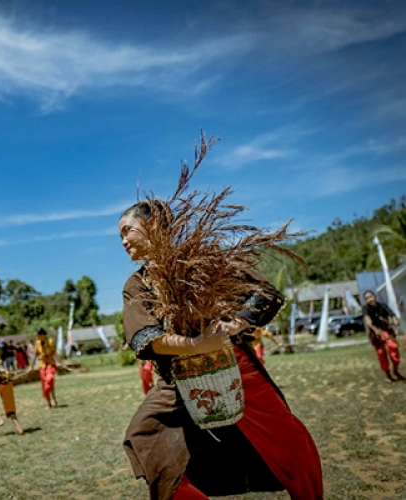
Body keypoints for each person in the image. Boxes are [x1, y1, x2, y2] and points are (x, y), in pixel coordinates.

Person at [118, 201, 323, 500]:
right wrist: (197, 345)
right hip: (177, 378)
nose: (123, 240)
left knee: (289, 440)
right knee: (144, 437)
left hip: (233, 366)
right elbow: (147, 337)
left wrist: (234, 325)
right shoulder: (136, 284)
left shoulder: (206, 260)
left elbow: (264, 292)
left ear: (154, 226)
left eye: (127, 230)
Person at [363, 290, 404, 382]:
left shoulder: (383, 306)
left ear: (375, 296)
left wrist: (395, 320)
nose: (369, 299)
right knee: (381, 353)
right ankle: (388, 375)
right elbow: (367, 320)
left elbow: (392, 315)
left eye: (370, 297)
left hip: (387, 332)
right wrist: (374, 328)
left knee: (393, 348)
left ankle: (396, 372)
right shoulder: (366, 308)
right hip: (376, 334)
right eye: (366, 298)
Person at [29, 328, 64, 409]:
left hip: (50, 365)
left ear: (42, 335)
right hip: (42, 366)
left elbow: (55, 354)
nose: (35, 336)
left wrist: (62, 364)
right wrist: (31, 367)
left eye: (36, 335)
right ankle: (49, 403)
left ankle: (53, 398)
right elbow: (34, 356)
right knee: (45, 385)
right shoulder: (37, 343)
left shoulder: (50, 342)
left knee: (49, 380)